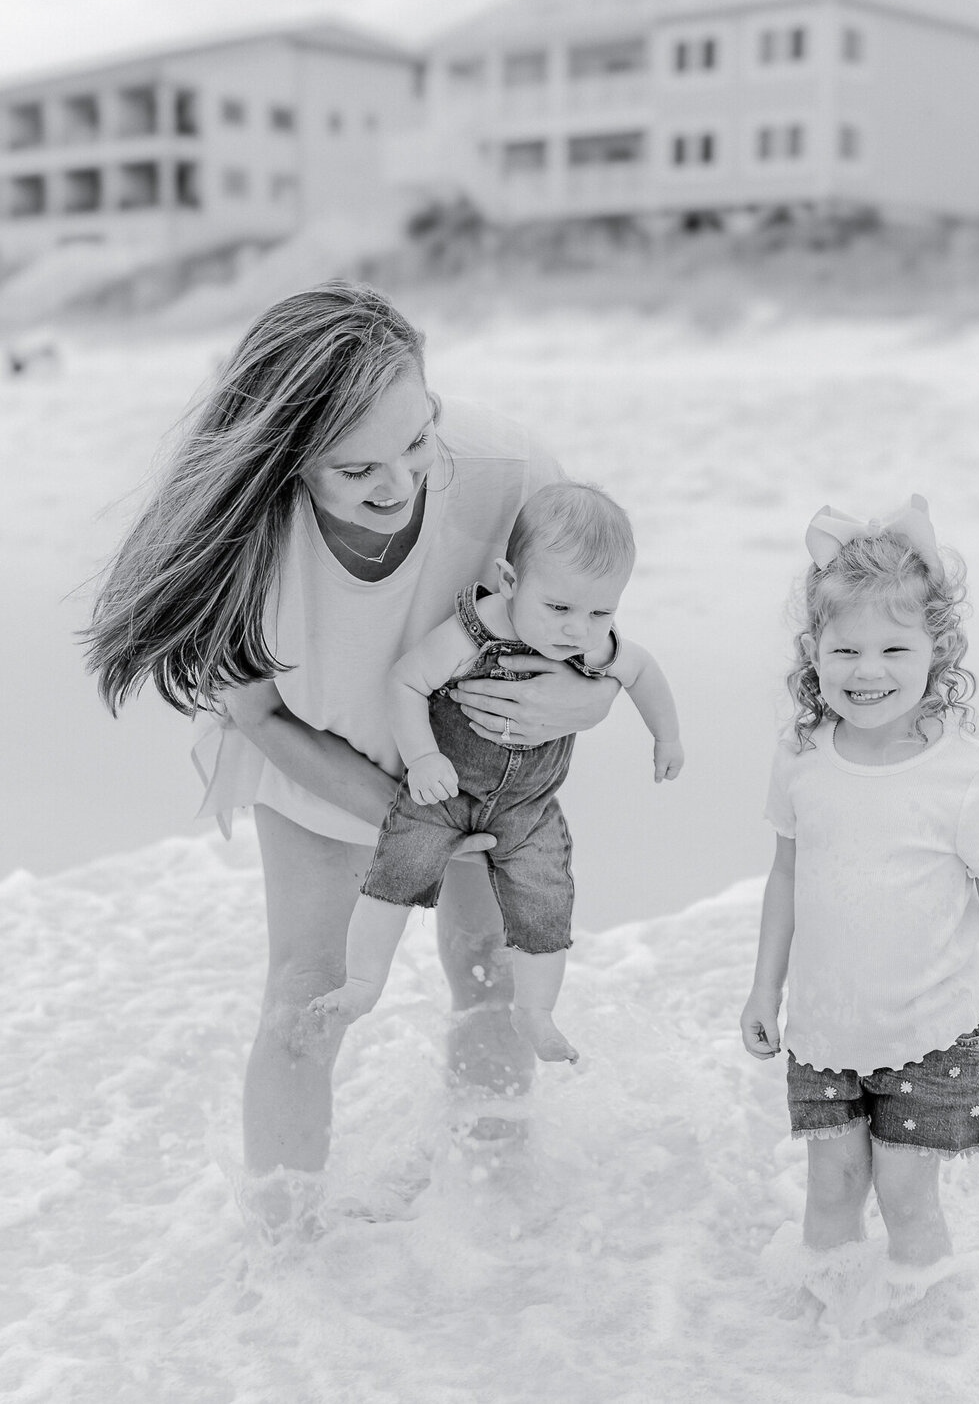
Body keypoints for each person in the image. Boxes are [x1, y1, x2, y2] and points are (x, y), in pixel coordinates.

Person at [84, 281, 620, 1214]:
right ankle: (282, 1253)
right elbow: (262, 721)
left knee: (486, 963)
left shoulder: (510, 468)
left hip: (470, 752)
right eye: (354, 466)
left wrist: (589, 695)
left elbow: (586, 628)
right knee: (305, 995)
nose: (399, 481)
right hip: (316, 747)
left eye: (417, 439)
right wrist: (419, 821)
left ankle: (497, 1202)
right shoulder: (234, 544)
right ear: (289, 458)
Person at [739, 495, 979, 1274]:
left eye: (894, 650)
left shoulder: (969, 772)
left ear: (937, 649)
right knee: (830, 1195)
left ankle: (923, 1356)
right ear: (814, 651)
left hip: (929, 1034)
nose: (868, 671)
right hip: (824, 1030)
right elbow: (786, 876)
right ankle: (826, 1352)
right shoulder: (802, 755)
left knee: (907, 1200)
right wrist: (763, 993)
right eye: (845, 652)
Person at [310, 481, 684, 1064]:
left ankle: (535, 1012)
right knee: (397, 871)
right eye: (558, 608)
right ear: (511, 582)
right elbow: (406, 681)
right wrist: (423, 758)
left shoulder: (591, 643)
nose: (576, 629)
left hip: (528, 810)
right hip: (445, 792)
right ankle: (363, 983)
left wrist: (666, 735)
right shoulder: (471, 631)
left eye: (601, 611)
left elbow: (642, 671)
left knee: (545, 899)